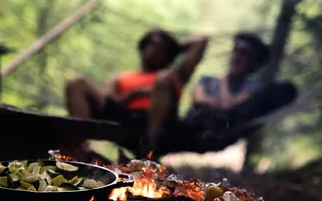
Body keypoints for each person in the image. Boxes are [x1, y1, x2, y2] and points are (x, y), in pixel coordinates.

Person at [64, 28, 208, 158]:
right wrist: (135, 94)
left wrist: (174, 47)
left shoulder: (174, 76)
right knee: (76, 83)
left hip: (158, 123)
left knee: (163, 79)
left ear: (169, 55)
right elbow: (107, 101)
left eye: (162, 48)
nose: (156, 49)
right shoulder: (121, 77)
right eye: (152, 44)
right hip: (123, 117)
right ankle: (79, 148)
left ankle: (150, 150)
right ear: (143, 47)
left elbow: (201, 41)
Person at [150, 32, 298, 157]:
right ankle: (150, 145)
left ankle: (151, 147)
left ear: (255, 63)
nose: (237, 57)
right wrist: (217, 103)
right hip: (185, 127)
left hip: (212, 135)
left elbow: (228, 107)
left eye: (244, 53)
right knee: (164, 82)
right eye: (236, 50)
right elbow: (198, 100)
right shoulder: (207, 79)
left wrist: (225, 81)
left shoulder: (255, 89)